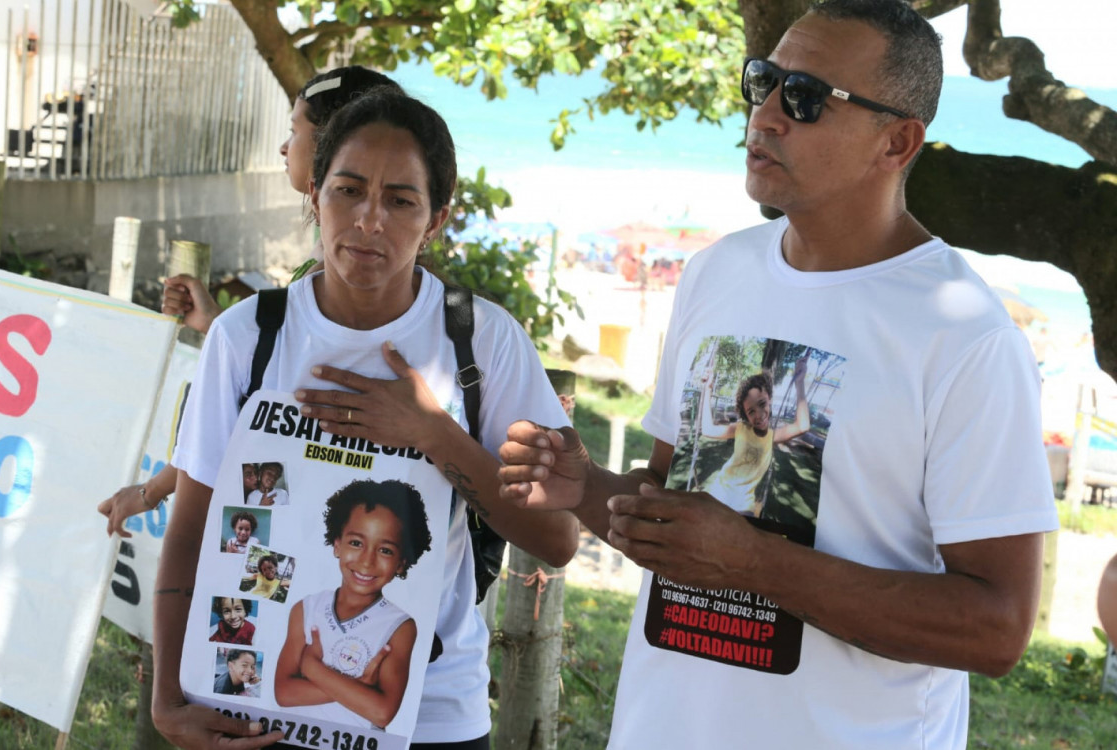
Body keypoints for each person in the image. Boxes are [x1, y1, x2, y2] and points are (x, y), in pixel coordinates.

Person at [498, 2, 1058, 747]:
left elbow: (997, 629)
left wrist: (756, 564)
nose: (763, 116)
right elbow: (675, 516)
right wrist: (585, 488)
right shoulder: (713, 274)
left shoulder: (965, 336)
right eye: (762, 82)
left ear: (897, 141)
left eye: (805, 98)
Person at [153, 87, 577, 750]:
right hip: (253, 710)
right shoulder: (246, 337)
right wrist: (168, 699)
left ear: (437, 217)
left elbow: (558, 538)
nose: (369, 220)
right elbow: (191, 527)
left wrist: (434, 435)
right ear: (314, 193)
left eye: (401, 200)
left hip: (433, 717)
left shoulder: (484, 342)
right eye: (348, 190)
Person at [97, 66, 403, 537]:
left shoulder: (346, 270)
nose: (284, 148)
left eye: (293, 131)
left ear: (329, 145)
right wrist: (227, 328)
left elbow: (273, 419)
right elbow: (285, 387)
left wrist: (151, 491)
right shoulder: (334, 268)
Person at [275, 480, 433, 729]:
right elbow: (284, 693)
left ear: (402, 563)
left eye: (385, 550)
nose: (367, 561)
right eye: (356, 543)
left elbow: (381, 712)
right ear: (337, 545)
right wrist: (358, 685)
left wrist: (312, 667)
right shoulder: (306, 609)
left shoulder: (400, 626)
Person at [699, 357, 809, 516]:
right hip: (720, 492)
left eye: (762, 404)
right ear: (746, 415)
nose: (759, 415)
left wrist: (800, 382)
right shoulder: (740, 429)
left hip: (744, 503)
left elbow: (803, 425)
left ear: (769, 399)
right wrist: (707, 389)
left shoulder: (773, 436)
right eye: (751, 411)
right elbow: (708, 430)